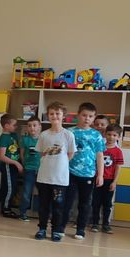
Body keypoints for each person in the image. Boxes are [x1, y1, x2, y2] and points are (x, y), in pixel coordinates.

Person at [60, 101, 105, 240]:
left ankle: (80, 229)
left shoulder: (96, 135)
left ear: (94, 118)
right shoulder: (69, 132)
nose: (87, 119)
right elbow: (62, 152)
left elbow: (100, 155)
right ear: (78, 115)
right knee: (67, 202)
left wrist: (100, 175)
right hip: (69, 172)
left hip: (88, 174)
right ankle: (60, 227)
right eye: (84, 115)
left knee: (85, 204)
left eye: (90, 116)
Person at [35, 101, 76, 241]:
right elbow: (41, 153)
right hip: (44, 177)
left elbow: (70, 154)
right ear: (48, 116)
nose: (55, 116)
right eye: (51, 113)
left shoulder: (68, 135)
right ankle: (42, 229)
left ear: (63, 115)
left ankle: (56, 230)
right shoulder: (44, 135)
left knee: (58, 205)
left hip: (60, 179)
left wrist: (60, 164)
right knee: (43, 205)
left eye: (58, 113)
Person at [91, 123, 124, 234]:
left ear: (118, 137)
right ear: (105, 134)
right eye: (109, 134)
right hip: (97, 179)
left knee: (107, 204)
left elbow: (118, 167)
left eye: (114, 135)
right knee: (95, 202)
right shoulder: (99, 148)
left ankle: (106, 224)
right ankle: (95, 223)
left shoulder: (118, 151)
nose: (111, 137)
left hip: (110, 181)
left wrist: (114, 182)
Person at [18, 115, 42, 222]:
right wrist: (25, 165)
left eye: (34, 125)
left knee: (43, 193)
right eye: (29, 126)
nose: (32, 128)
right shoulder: (25, 140)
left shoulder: (43, 138)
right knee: (26, 192)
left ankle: (43, 214)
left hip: (42, 171)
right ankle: (22, 213)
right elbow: (22, 154)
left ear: (39, 127)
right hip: (29, 170)